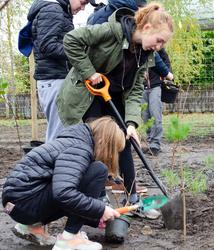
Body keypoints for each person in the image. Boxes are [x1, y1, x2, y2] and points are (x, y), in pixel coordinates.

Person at [56, 3, 173, 214]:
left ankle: (133, 198)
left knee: (126, 141)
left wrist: (131, 123)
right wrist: (89, 72)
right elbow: (71, 40)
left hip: (115, 94)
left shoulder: (145, 55)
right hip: (88, 93)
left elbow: (136, 89)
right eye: (159, 40)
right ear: (146, 28)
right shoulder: (112, 31)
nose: (158, 47)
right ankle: (100, 200)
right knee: (96, 143)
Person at [2, 117, 124, 250]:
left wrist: (96, 216)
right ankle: (70, 238)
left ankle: (32, 227)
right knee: (99, 170)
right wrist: (101, 209)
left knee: (74, 185)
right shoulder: (80, 149)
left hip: (17, 205)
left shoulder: (72, 141)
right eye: (115, 150)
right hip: (26, 204)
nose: (114, 156)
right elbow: (64, 193)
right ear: (107, 143)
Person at [25, 0, 89, 142]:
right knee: (58, 136)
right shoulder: (53, 10)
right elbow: (47, 45)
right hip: (54, 79)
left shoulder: (60, 10)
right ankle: (53, 164)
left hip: (56, 78)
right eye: (83, 2)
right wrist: (77, 53)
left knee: (62, 132)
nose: (83, 8)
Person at [87, 0, 174, 81]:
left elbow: (150, 50)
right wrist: (89, 72)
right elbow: (80, 43)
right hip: (97, 78)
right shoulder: (116, 21)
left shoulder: (137, 27)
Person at [142, 48, 172, 156]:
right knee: (145, 116)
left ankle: (155, 144)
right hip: (141, 87)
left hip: (155, 86)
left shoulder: (159, 50)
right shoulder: (139, 49)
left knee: (155, 114)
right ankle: (150, 141)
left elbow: (167, 67)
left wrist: (165, 77)